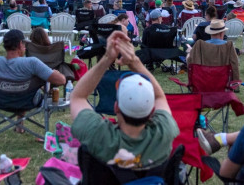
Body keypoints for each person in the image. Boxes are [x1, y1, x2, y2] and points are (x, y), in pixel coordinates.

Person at [70, 31, 179, 170]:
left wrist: (107, 58)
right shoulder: (163, 133)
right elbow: (160, 97)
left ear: (116, 107)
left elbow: (77, 96)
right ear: (152, 109)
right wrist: (134, 61)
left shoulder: (97, 135)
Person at [0, 29, 66, 132]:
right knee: (24, 90)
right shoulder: (32, 63)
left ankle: (19, 125)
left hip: (1, 101)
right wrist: (55, 72)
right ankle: (20, 124)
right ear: (20, 44)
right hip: (28, 101)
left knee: (20, 88)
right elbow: (61, 80)